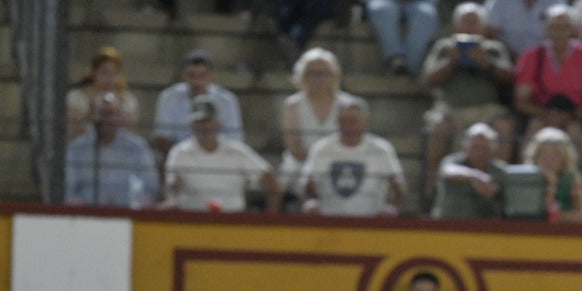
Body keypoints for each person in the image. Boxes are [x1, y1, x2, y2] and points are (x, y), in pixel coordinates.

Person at [421, 3, 518, 201]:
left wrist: (487, 63)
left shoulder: (493, 48)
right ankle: (432, 187)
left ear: (483, 26)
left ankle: (500, 186)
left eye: (475, 23)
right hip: (449, 108)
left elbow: (510, 79)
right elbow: (428, 80)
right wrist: (451, 62)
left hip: (486, 110)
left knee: (505, 126)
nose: (471, 27)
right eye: (466, 22)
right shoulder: (445, 47)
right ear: (457, 26)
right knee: (438, 126)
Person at [512, 5, 582, 174]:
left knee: (575, 132)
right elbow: (521, 101)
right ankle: (526, 182)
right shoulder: (531, 56)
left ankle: (581, 187)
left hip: (576, 116)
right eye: (554, 28)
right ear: (546, 30)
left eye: (564, 28)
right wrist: (547, 115)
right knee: (536, 127)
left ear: (573, 30)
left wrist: (568, 117)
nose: (559, 33)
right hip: (540, 114)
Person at [162, 97, 281, 212]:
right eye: (199, 122)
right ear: (192, 125)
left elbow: (272, 183)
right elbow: (172, 185)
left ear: (218, 124)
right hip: (192, 220)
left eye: (208, 121)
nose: (204, 127)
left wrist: (269, 220)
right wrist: (172, 200)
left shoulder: (237, 151)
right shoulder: (180, 152)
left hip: (232, 220)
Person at [301, 97, 407, 217]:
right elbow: (308, 186)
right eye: (344, 121)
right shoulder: (321, 148)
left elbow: (398, 186)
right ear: (337, 121)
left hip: (371, 221)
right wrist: (311, 202)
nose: (348, 126)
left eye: (353, 121)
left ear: (365, 121)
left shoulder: (381, 149)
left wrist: (392, 208)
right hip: (328, 220)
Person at [279, 49, 356, 200]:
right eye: (313, 73)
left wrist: (329, 164)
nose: (319, 79)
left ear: (334, 76)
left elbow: (352, 142)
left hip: (339, 163)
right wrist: (317, 164)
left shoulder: (347, 105)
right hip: (301, 163)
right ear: (303, 76)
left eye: (324, 73)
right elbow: (293, 147)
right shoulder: (292, 105)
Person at [65, 93, 159, 208]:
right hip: (85, 215)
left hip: (127, 213)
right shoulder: (76, 148)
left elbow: (150, 186)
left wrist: (137, 205)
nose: (106, 119)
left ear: (120, 117)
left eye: (111, 114)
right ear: (91, 116)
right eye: (101, 113)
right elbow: (68, 187)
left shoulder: (137, 147)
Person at [152, 50, 244, 158]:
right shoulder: (169, 97)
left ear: (212, 76)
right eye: (191, 75)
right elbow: (162, 138)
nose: (197, 82)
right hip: (178, 158)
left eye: (202, 75)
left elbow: (235, 140)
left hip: (217, 159)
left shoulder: (227, 101)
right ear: (183, 76)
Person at [434, 122, 511, 218]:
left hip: (484, 229)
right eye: (475, 147)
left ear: (495, 148)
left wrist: (495, 192)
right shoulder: (453, 161)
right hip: (448, 227)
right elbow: (447, 171)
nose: (480, 152)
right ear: (465, 145)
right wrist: (475, 177)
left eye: (484, 148)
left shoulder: (501, 170)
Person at [66, 47, 140, 141]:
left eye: (115, 72)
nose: (110, 77)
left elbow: (131, 131)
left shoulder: (128, 99)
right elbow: (72, 130)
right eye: (105, 72)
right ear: (94, 72)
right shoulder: (76, 97)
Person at [525, 126, 582, 221]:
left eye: (555, 155)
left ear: (565, 157)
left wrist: (559, 216)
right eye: (544, 155)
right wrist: (551, 186)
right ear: (535, 157)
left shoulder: (573, 178)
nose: (549, 161)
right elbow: (536, 214)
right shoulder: (528, 177)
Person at [368, 0, 440, 76]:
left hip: (420, 2)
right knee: (380, 8)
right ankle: (395, 60)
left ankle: (409, 66)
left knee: (427, 14)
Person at [485, 0, 560, 57]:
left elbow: (565, 31)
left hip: (546, 58)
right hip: (508, 58)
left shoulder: (556, 2)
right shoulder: (500, 2)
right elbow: (490, 32)